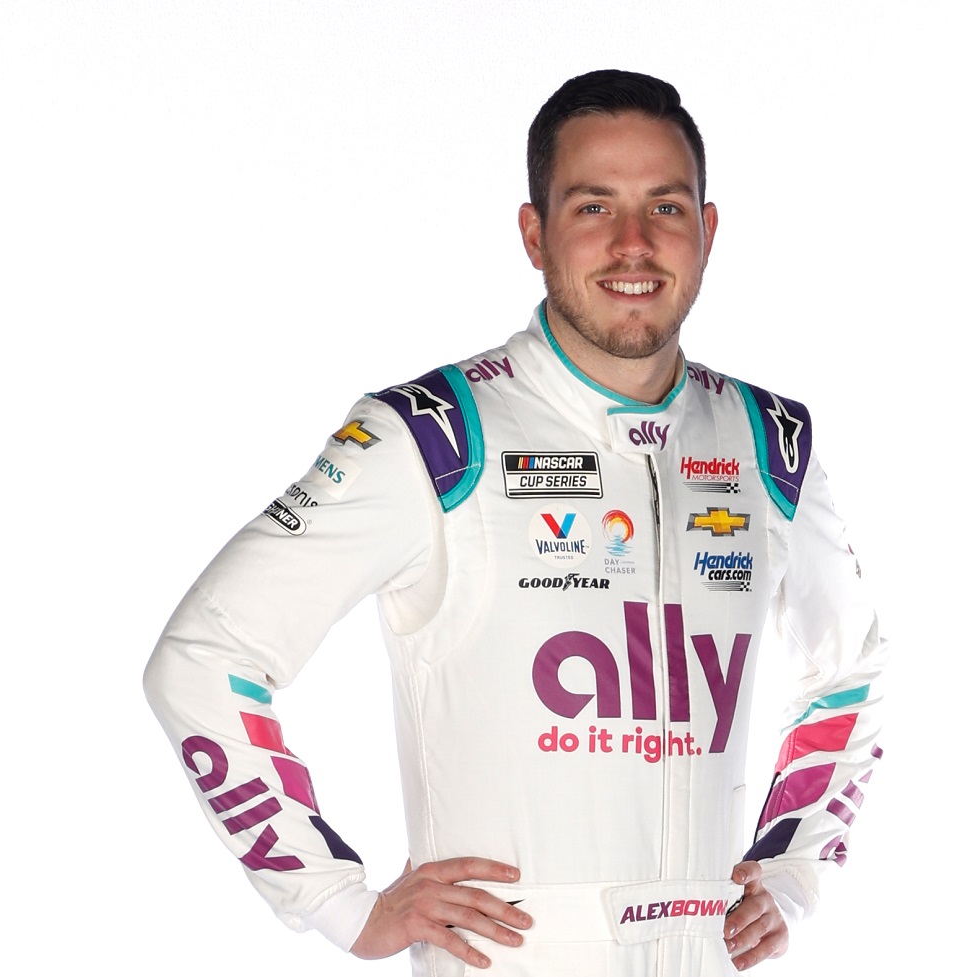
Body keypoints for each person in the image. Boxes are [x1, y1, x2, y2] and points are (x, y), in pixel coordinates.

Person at [144, 68, 888, 977]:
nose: (632, 243)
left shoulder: (771, 444)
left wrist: (794, 865)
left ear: (707, 230)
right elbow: (204, 657)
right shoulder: (430, 433)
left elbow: (852, 667)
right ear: (534, 235)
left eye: (664, 206)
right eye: (591, 208)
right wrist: (334, 899)